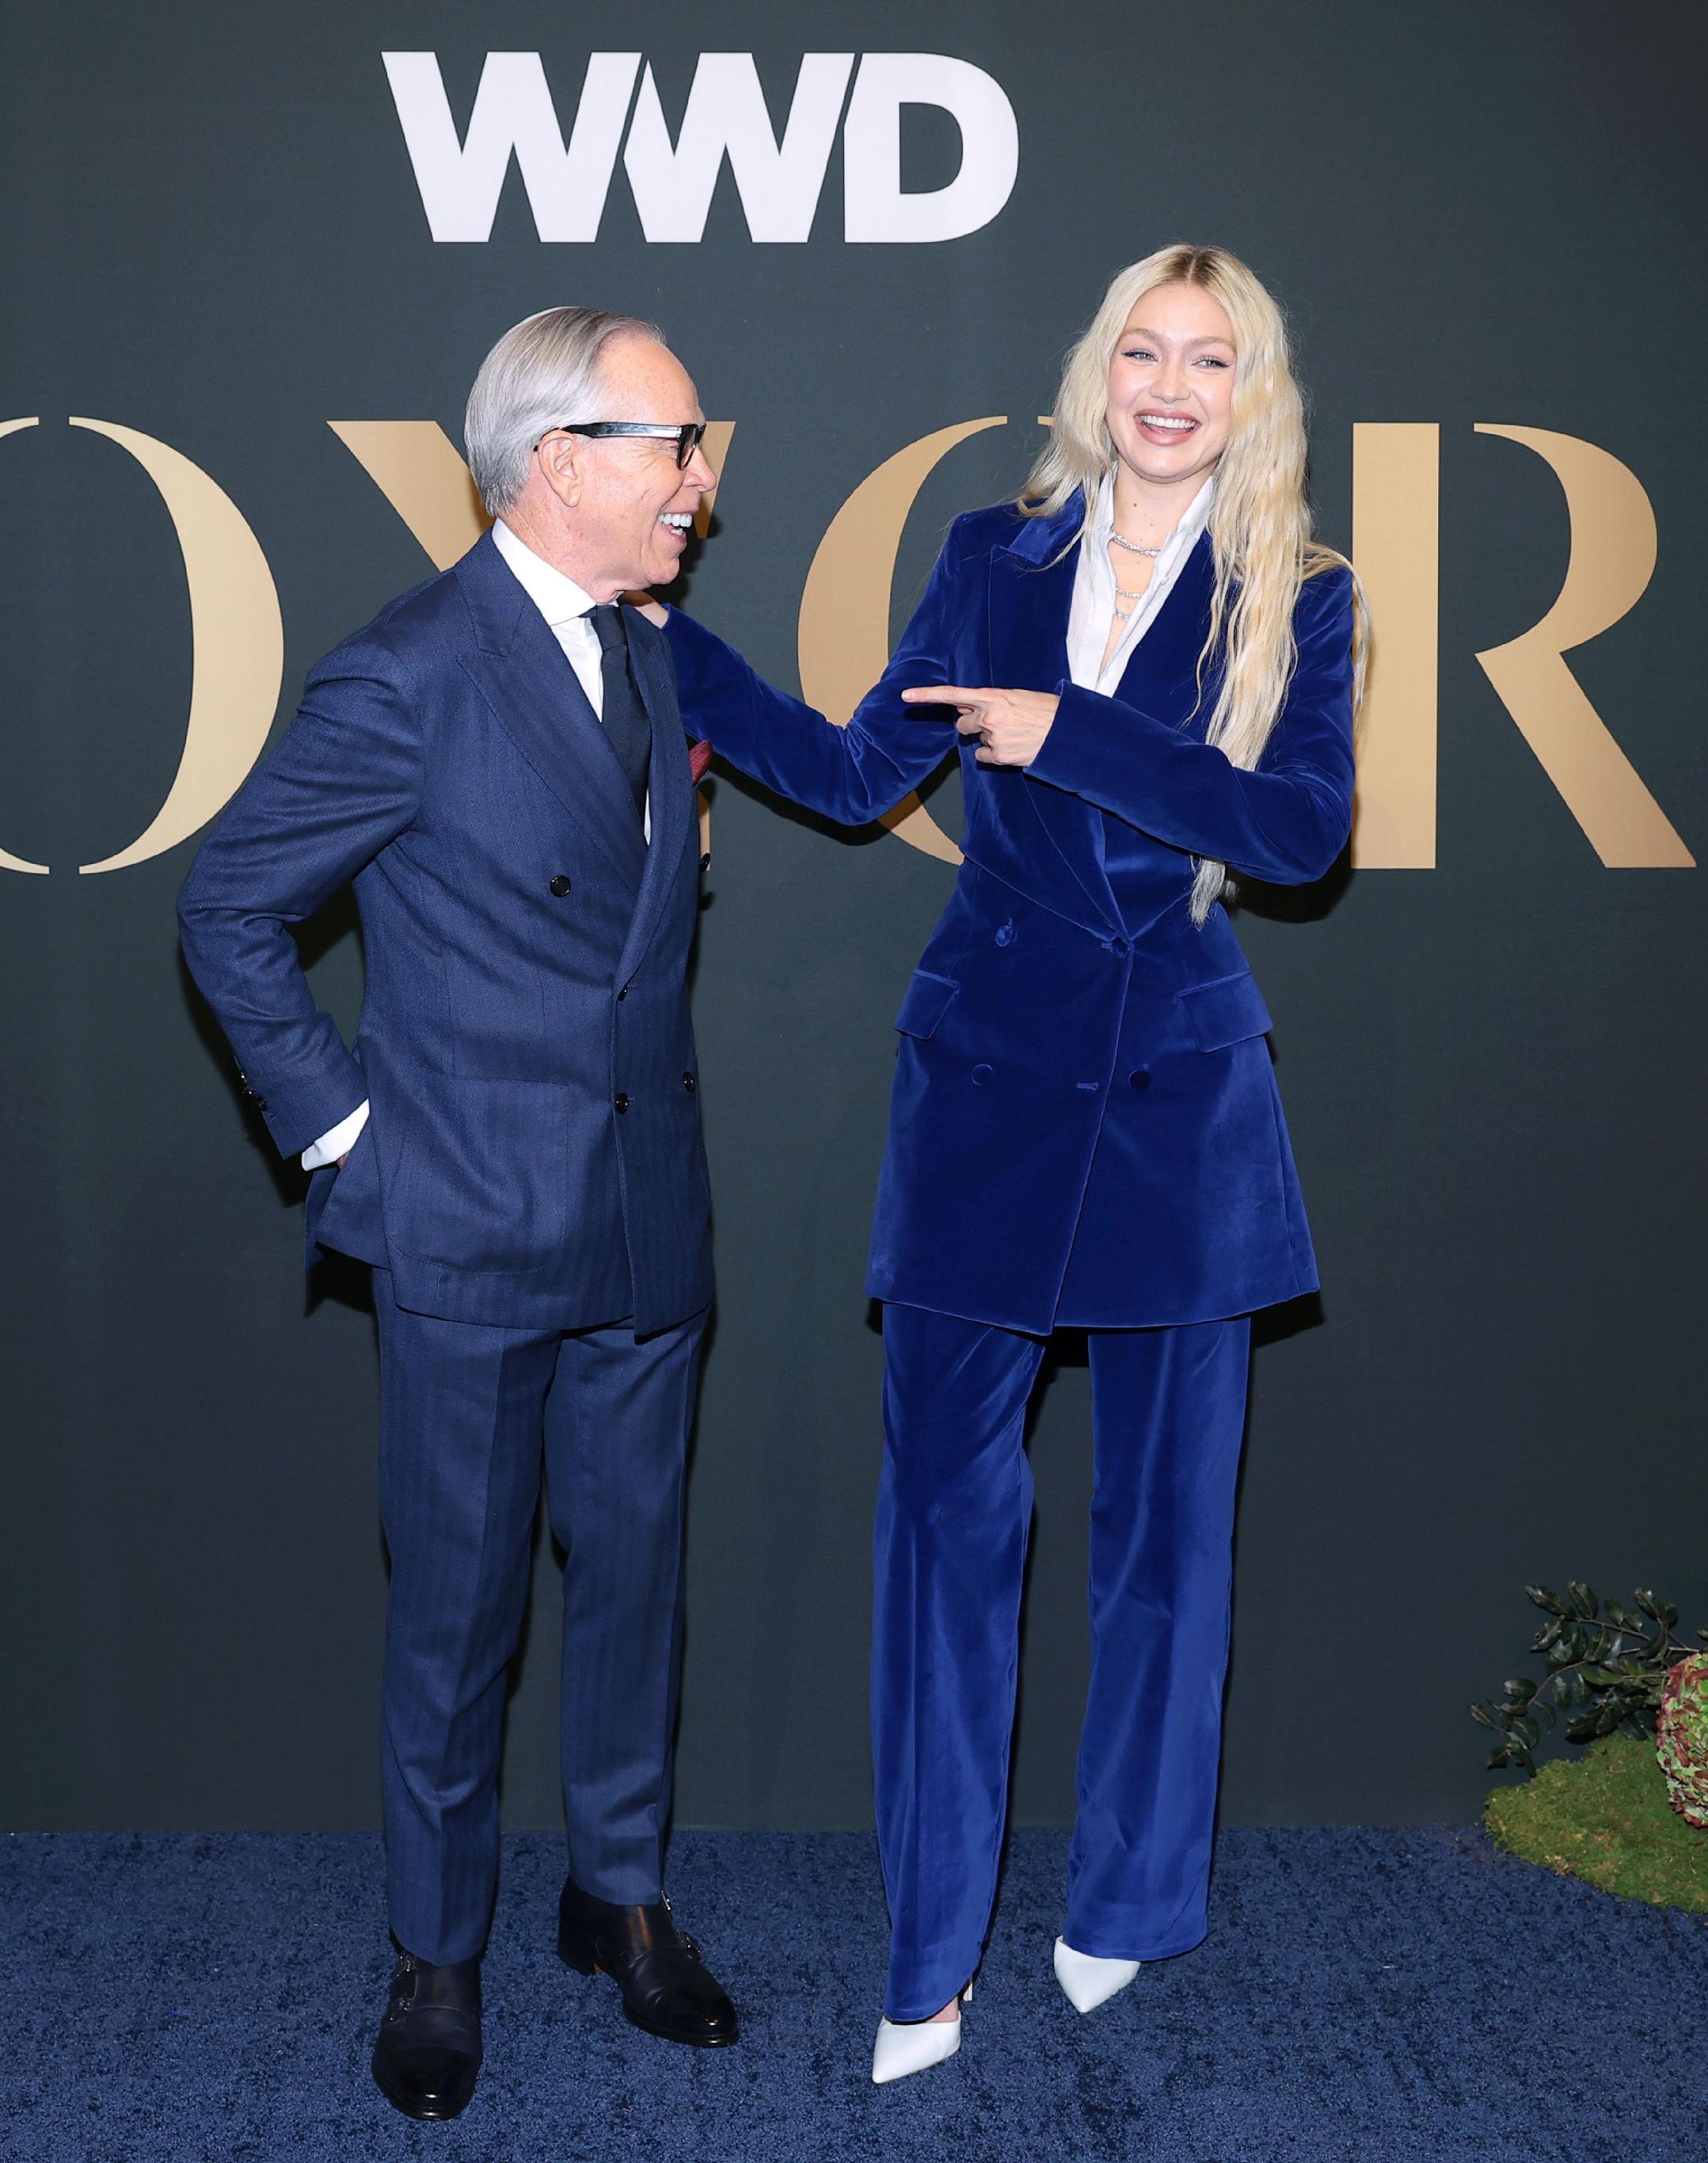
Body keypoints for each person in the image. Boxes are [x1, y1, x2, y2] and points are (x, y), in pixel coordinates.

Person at [652, 245, 1364, 2085]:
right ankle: (925, 1952)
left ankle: (1126, 1899)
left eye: (1212, 358)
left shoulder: (1305, 590)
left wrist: (1083, 735)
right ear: (1096, 367)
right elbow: (841, 765)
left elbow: (1297, 834)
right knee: (943, 1533)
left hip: (1182, 1107)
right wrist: (667, 649)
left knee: (1166, 1545)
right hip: (980, 1079)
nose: (1172, 384)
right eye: (1145, 346)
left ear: (1252, 391)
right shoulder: (993, 554)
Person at [177, 307, 741, 2123]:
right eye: (675, 442)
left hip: (647, 1213)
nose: (701, 478)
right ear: (559, 458)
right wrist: (352, 1138)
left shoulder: (652, 660)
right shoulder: (407, 671)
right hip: (470, 1227)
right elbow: (230, 910)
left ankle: (621, 1896)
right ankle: (438, 1949)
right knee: (459, 1614)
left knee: (636, 1585)